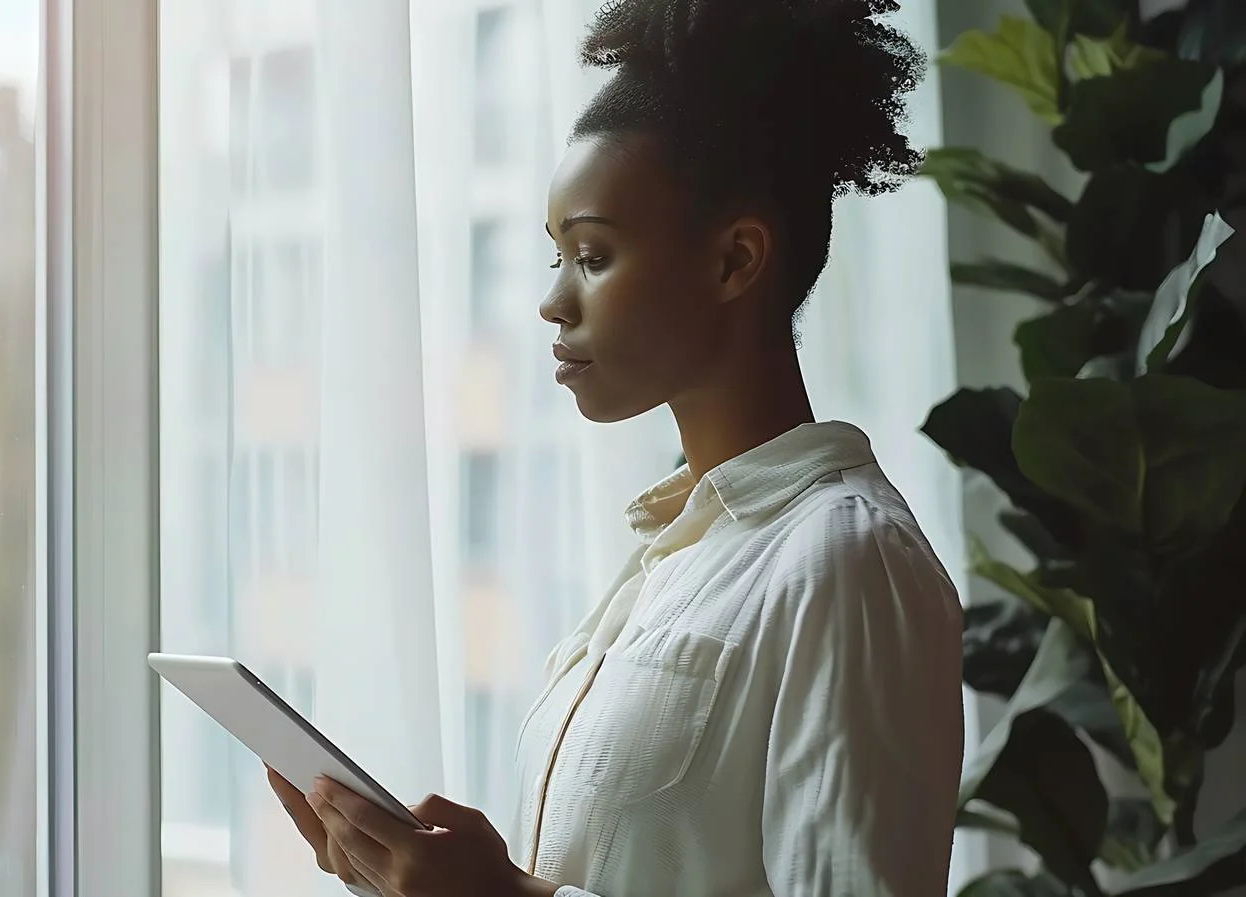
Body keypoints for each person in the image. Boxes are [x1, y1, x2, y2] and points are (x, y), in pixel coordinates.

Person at [267, 0, 965, 894]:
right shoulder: (671, 557)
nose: (554, 302)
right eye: (554, 256)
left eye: (592, 255)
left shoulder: (847, 560)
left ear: (734, 261)